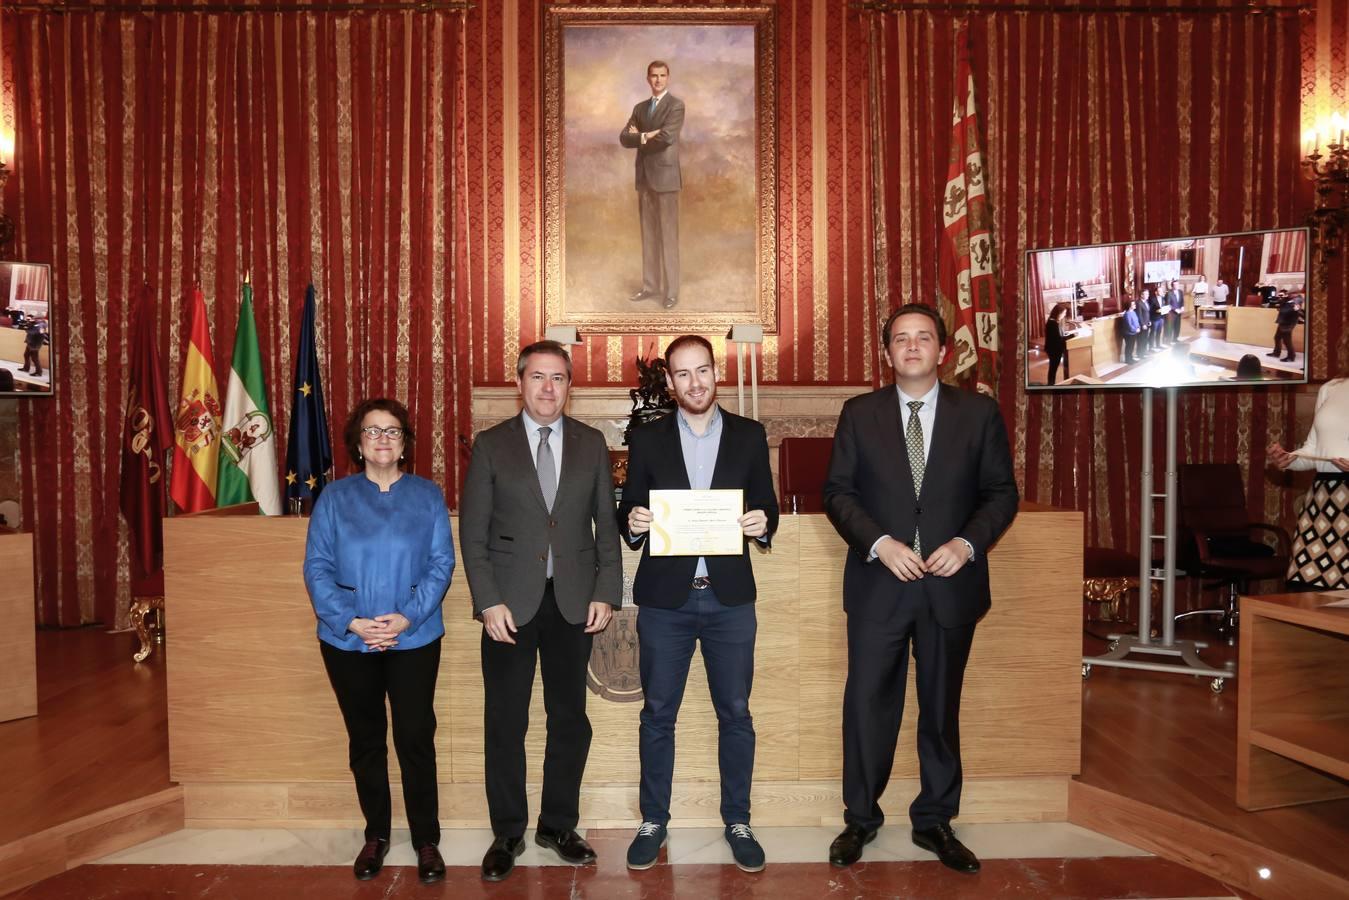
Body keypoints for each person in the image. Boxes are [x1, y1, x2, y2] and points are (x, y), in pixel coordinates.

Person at [823, 303, 1018, 875]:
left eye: (923, 338)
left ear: (942, 351)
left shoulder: (978, 414)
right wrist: (879, 543)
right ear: (887, 353)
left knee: (940, 707)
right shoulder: (859, 414)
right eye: (901, 339)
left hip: (948, 585)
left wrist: (967, 545)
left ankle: (934, 819)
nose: (912, 347)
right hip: (880, 583)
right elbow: (838, 492)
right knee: (866, 705)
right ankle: (860, 817)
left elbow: (1002, 493)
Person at [460, 340, 623, 882]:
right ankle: (507, 831)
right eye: (537, 377)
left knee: (570, 721)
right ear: (520, 382)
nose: (548, 388)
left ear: (569, 386)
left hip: (573, 603)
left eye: (558, 378)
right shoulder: (490, 445)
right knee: (505, 722)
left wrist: (607, 591)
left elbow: (605, 525)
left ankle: (558, 825)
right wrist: (486, 601)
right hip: (509, 605)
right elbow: (473, 534)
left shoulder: (592, 443)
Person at [618, 334, 779, 873]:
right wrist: (634, 523)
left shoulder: (750, 435)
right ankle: (653, 820)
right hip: (666, 601)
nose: (695, 382)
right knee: (658, 714)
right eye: (683, 374)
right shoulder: (647, 438)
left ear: (718, 372)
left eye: (703, 370)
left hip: (731, 601)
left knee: (735, 713)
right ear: (669, 383)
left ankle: (738, 818)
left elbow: (767, 506)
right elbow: (632, 510)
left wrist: (762, 523)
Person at [302, 398, 455, 885]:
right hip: (348, 641)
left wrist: (407, 618)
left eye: (393, 432)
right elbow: (317, 567)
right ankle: (376, 836)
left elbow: (440, 564)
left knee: (414, 738)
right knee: (366, 740)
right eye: (374, 431)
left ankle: (426, 840)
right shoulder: (334, 498)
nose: (384, 439)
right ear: (358, 442)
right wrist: (352, 621)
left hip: (414, 638)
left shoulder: (428, 496)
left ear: (406, 443)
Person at [1268, 377, 1349, 590]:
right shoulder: (1331, 388)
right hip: (1323, 500)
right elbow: (1313, 448)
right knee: (1308, 589)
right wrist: (1290, 458)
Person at [620, 60, 685, 310]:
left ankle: (671, 292)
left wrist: (641, 137)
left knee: (668, 237)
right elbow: (625, 138)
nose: (658, 80)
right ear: (648, 79)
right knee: (649, 236)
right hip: (644, 178)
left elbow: (668, 137)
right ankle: (650, 287)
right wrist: (648, 135)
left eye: (662, 75)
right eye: (653, 76)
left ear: (668, 78)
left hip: (667, 180)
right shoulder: (639, 108)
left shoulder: (675, 106)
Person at [1043, 302, 1073, 386]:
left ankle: (1051, 383)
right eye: (1063, 313)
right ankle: (1051, 384)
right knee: (1053, 368)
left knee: (1053, 367)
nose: (1064, 315)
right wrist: (1069, 337)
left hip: (1053, 348)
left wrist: (1065, 336)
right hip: (1053, 349)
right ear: (1058, 313)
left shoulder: (1053, 321)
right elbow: (1057, 339)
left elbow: (1057, 337)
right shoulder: (1052, 324)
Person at [1268, 295, 1304, 362]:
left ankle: (1291, 357)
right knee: (1277, 337)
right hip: (1283, 321)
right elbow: (1279, 306)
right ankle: (1276, 353)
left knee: (1287, 340)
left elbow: (1295, 309)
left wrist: (1283, 308)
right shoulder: (1287, 299)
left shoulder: (1297, 299)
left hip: (1288, 323)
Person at [1121, 298, 1143, 364]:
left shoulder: (1133, 312)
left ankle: (1131, 358)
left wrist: (1138, 327)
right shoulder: (1127, 314)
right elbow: (1129, 325)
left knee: (1132, 346)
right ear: (1129, 305)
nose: (1135, 305)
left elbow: (1137, 321)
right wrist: (1135, 330)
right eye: (1133, 304)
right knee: (1129, 346)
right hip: (1129, 333)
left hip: (1134, 332)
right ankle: (1128, 359)